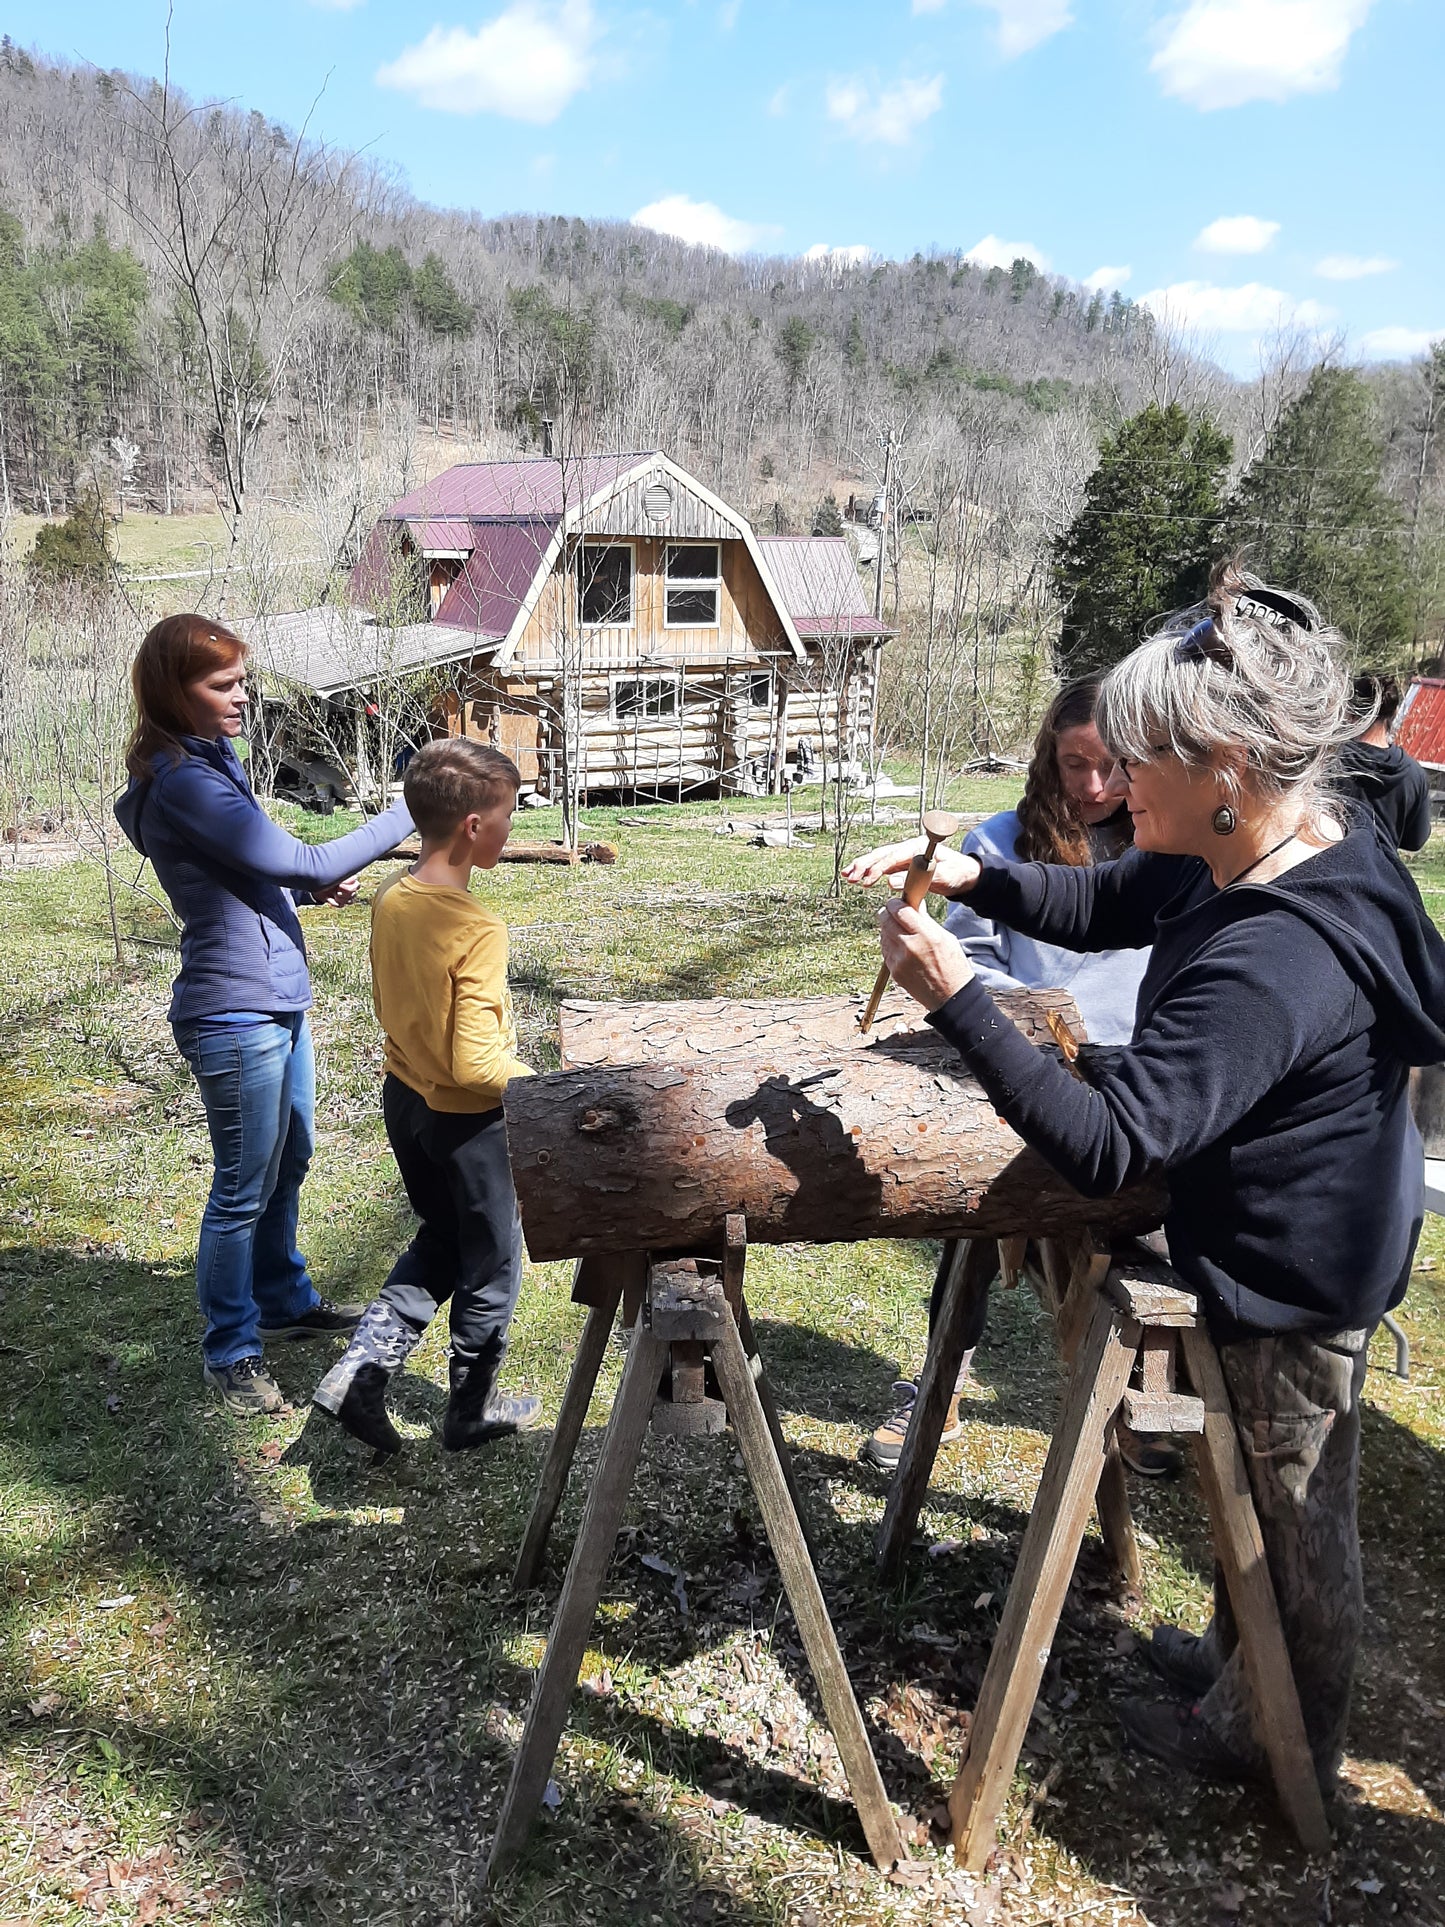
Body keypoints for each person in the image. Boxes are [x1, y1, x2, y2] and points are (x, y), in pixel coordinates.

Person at [866, 561, 1445, 1793]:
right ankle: (1241, 1672)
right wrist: (982, 880)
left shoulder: (1281, 955)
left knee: (1293, 1525)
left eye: (1137, 764)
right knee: (1259, 1495)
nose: (1113, 787)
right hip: (1281, 1223)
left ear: (1225, 771)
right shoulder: (1251, 844)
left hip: (1296, 1264)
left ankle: (1275, 1741)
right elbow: (1111, 895)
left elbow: (1109, 1144)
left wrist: (958, 997)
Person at [846, 679, 1153, 1472]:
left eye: (1112, 766)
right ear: (1049, 759)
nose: (1093, 787)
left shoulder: (1162, 841)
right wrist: (1038, 1026)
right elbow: (973, 965)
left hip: (1133, 1079)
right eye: (1074, 763)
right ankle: (943, 1375)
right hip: (1022, 1065)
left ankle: (1135, 1387)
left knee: (1138, 1226)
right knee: (971, 1209)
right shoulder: (994, 841)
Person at [114, 615, 415, 1415]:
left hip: (277, 995)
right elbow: (304, 854)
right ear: (174, 694)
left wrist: (299, 891)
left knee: (290, 1158)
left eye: (243, 680)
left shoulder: (214, 764)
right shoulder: (184, 781)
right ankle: (231, 1349)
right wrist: (408, 811)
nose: (243, 697)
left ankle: (281, 1299)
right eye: (223, 685)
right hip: (234, 1008)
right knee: (242, 1185)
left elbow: (255, 871)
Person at [313, 738, 542, 1455]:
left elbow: (395, 1003)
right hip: (467, 1123)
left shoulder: (392, 897)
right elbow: (475, 1064)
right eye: (508, 815)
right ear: (474, 826)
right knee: (491, 1261)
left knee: (442, 1237)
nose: (513, 829)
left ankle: (360, 1372)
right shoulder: (474, 926)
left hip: (405, 1100)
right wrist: (544, 1089)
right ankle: (470, 1411)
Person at [1334, 672, 1432, 851]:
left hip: (1333, 870)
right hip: (1383, 874)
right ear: (1394, 713)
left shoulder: (1330, 763)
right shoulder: (1413, 773)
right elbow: (1415, 841)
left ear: (1350, 712)